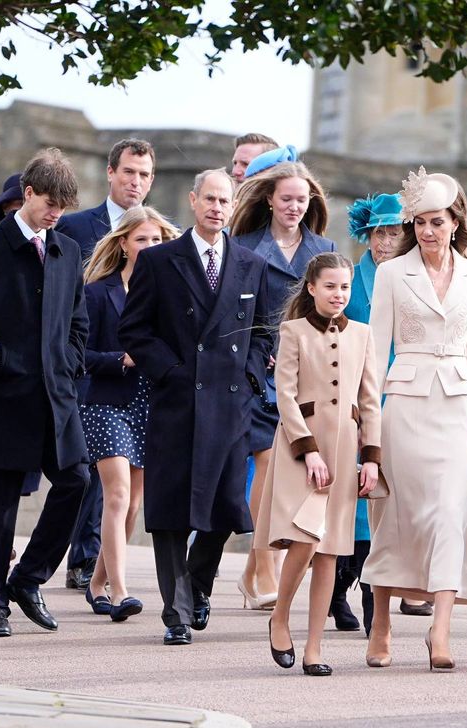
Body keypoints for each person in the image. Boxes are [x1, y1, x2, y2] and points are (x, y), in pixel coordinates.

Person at [118, 168, 272, 646]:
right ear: (192, 200)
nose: (217, 208)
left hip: (230, 405)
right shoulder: (159, 261)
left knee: (225, 509)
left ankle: (199, 584)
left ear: (233, 206)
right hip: (176, 404)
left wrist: (249, 375)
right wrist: (170, 371)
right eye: (209, 199)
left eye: (224, 201)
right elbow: (134, 329)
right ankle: (177, 613)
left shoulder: (251, 265)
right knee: (170, 511)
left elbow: (263, 333)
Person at [361, 168, 467, 671]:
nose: (427, 231)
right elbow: (374, 351)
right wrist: (367, 426)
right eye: (419, 222)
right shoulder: (390, 274)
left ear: (455, 222)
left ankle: (440, 628)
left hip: (457, 409)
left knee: (450, 514)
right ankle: (380, 621)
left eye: (437, 221)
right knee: (395, 515)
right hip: (403, 406)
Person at [0, 148, 90, 638]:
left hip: (57, 396)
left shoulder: (68, 251)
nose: (56, 213)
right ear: (28, 193)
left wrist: (67, 362)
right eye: (50, 203)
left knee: (76, 481)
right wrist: (4, 363)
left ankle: (28, 579)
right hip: (5, 395)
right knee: (0, 501)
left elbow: (78, 321)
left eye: (63, 207)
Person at [257, 252, 383, 676]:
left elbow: (370, 402)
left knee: (330, 550)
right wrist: (308, 450)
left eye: (344, 286)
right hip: (302, 448)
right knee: (306, 537)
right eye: (330, 286)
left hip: (345, 450)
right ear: (311, 288)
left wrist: (371, 458)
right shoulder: (292, 331)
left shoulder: (363, 334)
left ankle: (314, 648)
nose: (338, 294)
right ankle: (280, 616)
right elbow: (285, 394)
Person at [230, 161, 337, 614]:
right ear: (270, 200)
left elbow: (329, 311)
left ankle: (253, 571)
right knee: (268, 463)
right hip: (257, 373)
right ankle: (263, 567)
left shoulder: (323, 249)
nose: (294, 207)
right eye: (286, 198)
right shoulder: (243, 246)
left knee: (290, 474)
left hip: (306, 374)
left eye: (302, 199)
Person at [56, 138, 157, 591]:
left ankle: (94, 572)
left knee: (126, 497)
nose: (136, 181)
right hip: (89, 376)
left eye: (144, 174)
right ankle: (85, 562)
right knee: (86, 478)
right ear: (111, 172)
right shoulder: (76, 227)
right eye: (129, 172)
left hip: (144, 394)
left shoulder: (162, 243)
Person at [79, 206, 180, 622]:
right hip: (107, 402)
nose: (150, 246)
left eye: (157, 240)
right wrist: (119, 359)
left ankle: (97, 583)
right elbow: (77, 353)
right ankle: (120, 592)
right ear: (122, 244)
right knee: (117, 495)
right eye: (141, 239)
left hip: (151, 403)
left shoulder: (170, 294)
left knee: (134, 504)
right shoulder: (97, 293)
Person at [330, 192, 404, 634]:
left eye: (394, 233)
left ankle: (374, 595)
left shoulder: (412, 278)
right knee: (356, 502)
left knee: (389, 503)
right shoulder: (352, 280)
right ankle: (342, 589)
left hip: (401, 397)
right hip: (355, 399)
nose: (385, 242)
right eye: (379, 233)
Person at [0, 173, 41, 507]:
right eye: (12, 209)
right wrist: (0, 359)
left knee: (72, 477)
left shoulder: (54, 252)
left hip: (39, 381)